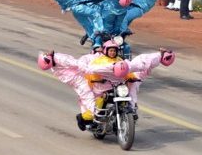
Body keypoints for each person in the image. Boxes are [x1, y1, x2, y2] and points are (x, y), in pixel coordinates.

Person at [38, 42, 175, 130]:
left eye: (114, 51)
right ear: (104, 51)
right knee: (90, 113)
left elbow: (138, 64)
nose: (112, 53)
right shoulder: (95, 61)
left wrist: (133, 76)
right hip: (100, 89)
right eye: (110, 51)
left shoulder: (120, 60)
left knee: (137, 80)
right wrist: (53, 58)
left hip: (118, 87)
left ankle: (131, 110)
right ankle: (87, 118)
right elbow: (80, 65)